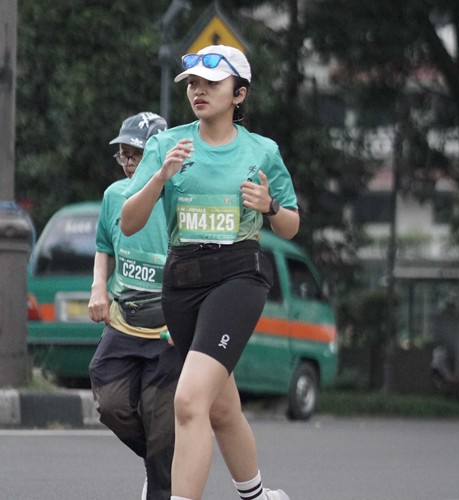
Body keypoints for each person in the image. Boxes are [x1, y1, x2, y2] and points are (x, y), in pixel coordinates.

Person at [120, 45, 299, 500]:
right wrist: (159, 177)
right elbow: (129, 222)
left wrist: (270, 207)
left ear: (239, 93)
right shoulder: (166, 145)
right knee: (220, 408)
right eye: (193, 84)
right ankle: (258, 497)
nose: (198, 91)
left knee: (188, 400)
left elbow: (291, 225)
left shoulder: (263, 151)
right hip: (182, 282)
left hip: (239, 275)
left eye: (211, 84)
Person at [88, 112, 182, 500]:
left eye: (136, 155)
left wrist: (187, 318)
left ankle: (162, 479)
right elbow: (103, 247)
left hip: (167, 329)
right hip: (123, 321)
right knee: (110, 402)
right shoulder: (115, 196)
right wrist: (98, 286)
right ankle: (163, 462)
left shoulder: (178, 199)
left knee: (161, 422)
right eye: (124, 155)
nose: (128, 164)